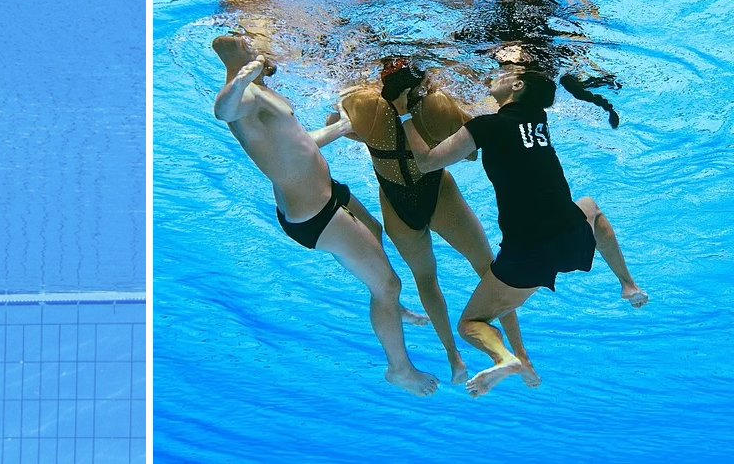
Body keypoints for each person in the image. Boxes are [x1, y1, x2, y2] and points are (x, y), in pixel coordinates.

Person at [390, 55, 648, 397]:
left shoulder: (486, 127)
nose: (495, 77)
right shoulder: (538, 124)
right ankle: (628, 285)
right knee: (591, 209)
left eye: (504, 74)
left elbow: (425, 162)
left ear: (517, 85)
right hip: (569, 237)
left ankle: (505, 358)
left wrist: (405, 113)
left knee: (470, 325)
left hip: (526, 255)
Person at [212, 34, 439, 397]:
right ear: (238, 55)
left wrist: (343, 127)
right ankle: (399, 369)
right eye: (249, 44)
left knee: (375, 230)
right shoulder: (244, 96)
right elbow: (222, 111)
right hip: (316, 215)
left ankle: (392, 308)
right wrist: (240, 77)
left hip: (327, 194)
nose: (258, 45)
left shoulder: (259, 90)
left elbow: (299, 142)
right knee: (387, 284)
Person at [338, 57, 536, 386]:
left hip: (397, 203)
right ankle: (519, 353)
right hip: (439, 193)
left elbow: (340, 126)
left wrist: (372, 137)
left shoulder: (364, 106)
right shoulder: (437, 106)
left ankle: (453, 357)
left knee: (426, 279)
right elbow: (472, 152)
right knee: (489, 267)